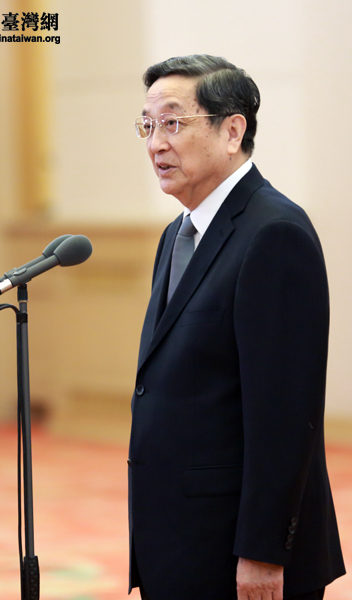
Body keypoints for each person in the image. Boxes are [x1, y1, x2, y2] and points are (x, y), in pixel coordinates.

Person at [127, 55, 345, 600]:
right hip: (179, 539)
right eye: (148, 125)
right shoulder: (177, 234)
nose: (156, 144)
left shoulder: (274, 232)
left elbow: (286, 414)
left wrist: (265, 550)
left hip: (237, 552)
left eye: (173, 122)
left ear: (232, 131)